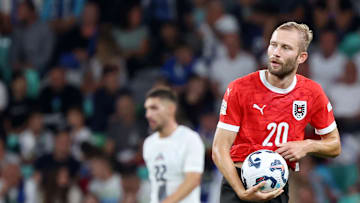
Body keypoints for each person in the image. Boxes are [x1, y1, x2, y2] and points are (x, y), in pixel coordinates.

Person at [211, 21, 342, 203]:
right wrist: (241, 192)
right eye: (273, 45)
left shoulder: (312, 93)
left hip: (277, 186)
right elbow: (219, 149)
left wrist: (306, 146)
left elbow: (334, 145)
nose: (276, 52)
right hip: (238, 182)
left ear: (301, 57)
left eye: (286, 48)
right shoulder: (240, 88)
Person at [143, 88, 205, 203]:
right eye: (147, 109)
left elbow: (193, 179)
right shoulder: (148, 144)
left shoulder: (189, 138)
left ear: (171, 109)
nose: (148, 115)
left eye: (154, 108)